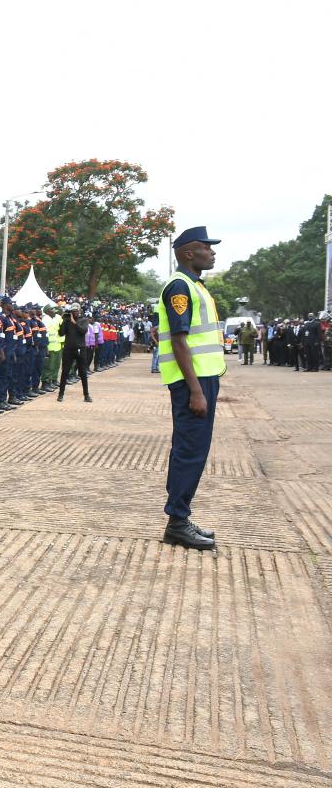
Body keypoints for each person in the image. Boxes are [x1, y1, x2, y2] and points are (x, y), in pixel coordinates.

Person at [155, 226, 225, 551]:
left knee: (194, 451)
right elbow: (180, 342)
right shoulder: (180, 287)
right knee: (189, 451)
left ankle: (180, 518)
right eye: (205, 248)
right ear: (187, 253)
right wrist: (195, 390)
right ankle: (177, 523)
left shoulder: (196, 286)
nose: (211, 253)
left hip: (203, 378)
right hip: (191, 382)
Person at [56, 305, 92, 402]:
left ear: (79, 311)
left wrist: (74, 322)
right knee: (65, 372)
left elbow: (83, 331)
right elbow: (61, 333)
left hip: (80, 349)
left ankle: (86, 395)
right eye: (73, 311)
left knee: (83, 373)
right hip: (68, 349)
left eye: (76, 311)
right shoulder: (67, 320)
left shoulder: (84, 320)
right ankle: (61, 395)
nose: (75, 312)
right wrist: (63, 321)